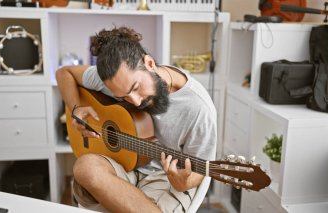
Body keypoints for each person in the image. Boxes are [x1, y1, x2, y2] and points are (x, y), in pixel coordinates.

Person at [56, 26, 217, 213]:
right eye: (123, 96)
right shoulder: (117, 79)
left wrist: (182, 182)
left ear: (149, 63)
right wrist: (77, 109)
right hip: (124, 166)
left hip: (164, 179)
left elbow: (201, 168)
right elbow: (64, 73)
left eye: (135, 87)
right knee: (84, 167)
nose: (136, 101)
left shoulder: (199, 108)